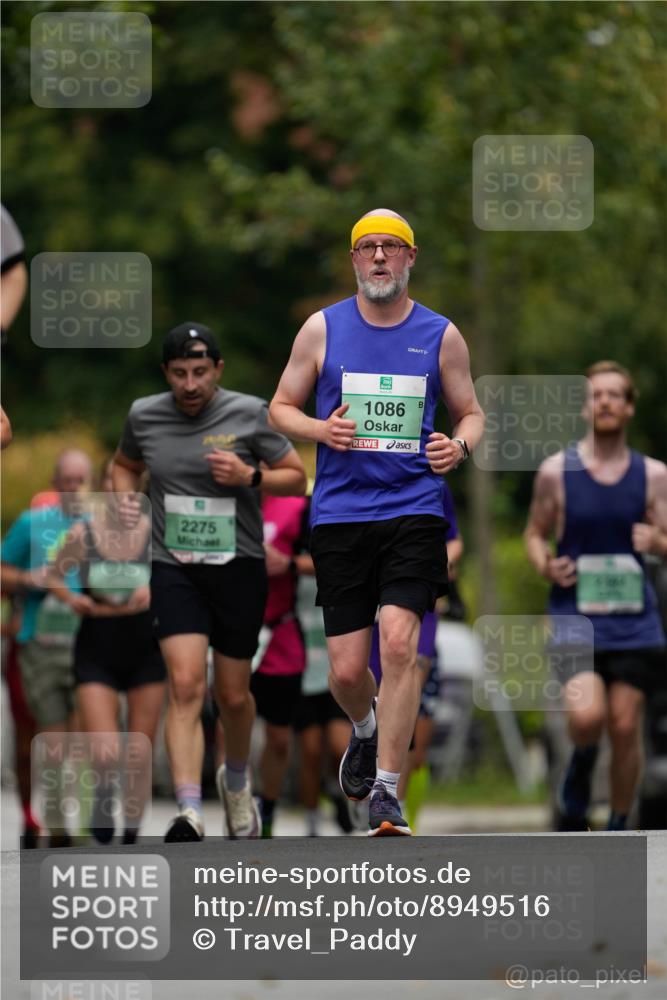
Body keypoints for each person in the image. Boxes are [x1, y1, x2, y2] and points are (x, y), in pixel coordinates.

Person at [269, 209, 484, 836]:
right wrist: (321, 429)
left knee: (399, 646)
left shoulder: (441, 334)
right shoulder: (321, 329)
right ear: (355, 261)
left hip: (415, 509)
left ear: (411, 258)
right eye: (369, 249)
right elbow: (279, 407)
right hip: (339, 516)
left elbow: (471, 413)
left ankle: (387, 791)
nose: (381, 258)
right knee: (343, 670)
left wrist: (458, 447)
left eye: (392, 248)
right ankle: (364, 729)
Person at [112, 321, 306, 842]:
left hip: (238, 566)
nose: (190, 384)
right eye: (179, 374)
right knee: (185, 685)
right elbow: (124, 466)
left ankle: (236, 783)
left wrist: (251, 478)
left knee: (234, 696)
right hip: (174, 566)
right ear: (166, 374)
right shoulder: (144, 415)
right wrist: (127, 503)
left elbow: (297, 477)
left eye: (200, 372)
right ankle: (189, 809)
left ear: (218, 369)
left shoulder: (249, 413)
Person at [525, 361, 667, 831]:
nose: (604, 401)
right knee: (587, 718)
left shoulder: (653, 476)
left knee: (626, 729)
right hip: (574, 617)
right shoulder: (555, 472)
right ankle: (583, 759)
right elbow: (534, 534)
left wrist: (658, 543)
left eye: (614, 395)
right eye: (596, 395)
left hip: (634, 622)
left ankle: (619, 823)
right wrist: (545, 562)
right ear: (585, 407)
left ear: (628, 407)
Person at [48, 459, 167, 844]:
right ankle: (101, 795)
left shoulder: (156, 534)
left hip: (145, 647)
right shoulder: (85, 533)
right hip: (96, 644)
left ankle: (131, 829)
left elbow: (181, 579)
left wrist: (155, 589)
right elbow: (53, 574)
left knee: (137, 753)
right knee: (104, 751)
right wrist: (71, 597)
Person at [1, 450, 94, 846]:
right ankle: (37, 819)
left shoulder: (101, 527)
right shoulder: (32, 523)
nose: (73, 489)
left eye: (81, 481)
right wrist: (27, 579)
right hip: (36, 645)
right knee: (37, 743)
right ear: (56, 483)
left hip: (85, 643)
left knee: (80, 739)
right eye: (67, 481)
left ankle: (70, 824)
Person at [368, 478, 463, 832]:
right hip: (370, 608)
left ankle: (396, 803)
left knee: (415, 734)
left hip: (419, 601)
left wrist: (434, 561)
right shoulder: (359, 475)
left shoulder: (434, 478)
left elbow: (454, 540)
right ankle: (376, 793)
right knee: (374, 704)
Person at [251, 491, 312, 837]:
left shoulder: (297, 507)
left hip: (280, 636)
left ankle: (268, 808)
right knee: (233, 725)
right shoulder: (221, 504)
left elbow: (328, 561)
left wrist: (287, 563)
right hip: (234, 632)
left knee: (278, 737)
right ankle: (239, 809)